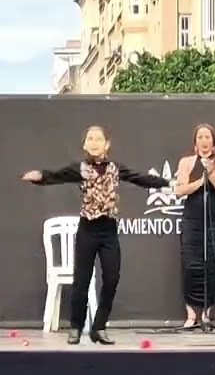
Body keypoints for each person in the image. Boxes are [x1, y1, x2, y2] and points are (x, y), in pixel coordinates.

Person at [21, 126, 170, 345]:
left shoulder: (115, 168)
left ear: (107, 144)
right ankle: (75, 327)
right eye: (90, 138)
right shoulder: (79, 168)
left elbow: (140, 179)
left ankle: (99, 326)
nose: (94, 142)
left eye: (98, 138)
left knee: (112, 278)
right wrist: (39, 176)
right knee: (81, 281)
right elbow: (55, 176)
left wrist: (167, 183)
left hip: (108, 231)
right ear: (84, 145)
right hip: (87, 230)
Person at [175, 123, 215, 330]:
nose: (204, 140)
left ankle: (207, 314)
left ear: (213, 142)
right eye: (200, 137)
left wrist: (212, 174)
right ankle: (191, 313)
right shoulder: (186, 162)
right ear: (195, 142)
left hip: (214, 221)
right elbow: (179, 190)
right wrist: (200, 181)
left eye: (207, 137)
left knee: (211, 266)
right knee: (191, 266)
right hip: (192, 220)